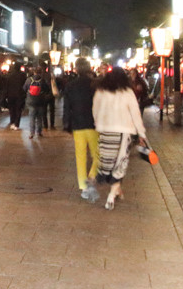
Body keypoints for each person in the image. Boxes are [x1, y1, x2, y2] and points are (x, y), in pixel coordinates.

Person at [93, 66, 148, 210]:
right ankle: (112, 195)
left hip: (105, 131)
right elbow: (135, 114)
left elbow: (95, 109)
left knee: (108, 163)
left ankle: (116, 190)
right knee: (119, 163)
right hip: (123, 132)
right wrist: (141, 133)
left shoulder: (101, 91)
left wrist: (98, 123)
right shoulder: (127, 92)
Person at [63, 57, 100, 202]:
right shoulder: (95, 85)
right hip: (93, 124)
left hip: (77, 125)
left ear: (76, 69)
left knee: (80, 156)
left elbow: (67, 107)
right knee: (98, 155)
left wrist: (67, 123)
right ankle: (91, 178)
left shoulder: (70, 86)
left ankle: (83, 186)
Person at [23, 67, 50, 137]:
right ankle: (39, 132)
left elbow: (24, 88)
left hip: (31, 101)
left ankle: (32, 132)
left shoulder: (29, 80)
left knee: (32, 117)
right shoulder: (42, 80)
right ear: (40, 72)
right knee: (39, 117)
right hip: (41, 101)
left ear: (33, 72)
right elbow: (47, 89)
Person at [4, 64, 27, 130]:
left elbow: (6, 86)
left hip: (10, 95)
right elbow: (24, 86)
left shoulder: (9, 75)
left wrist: (5, 95)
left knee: (11, 109)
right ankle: (17, 124)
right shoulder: (23, 75)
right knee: (18, 110)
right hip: (20, 95)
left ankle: (12, 122)